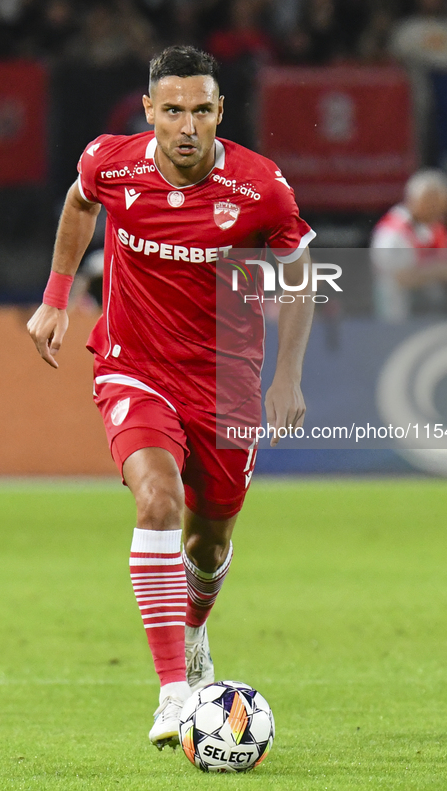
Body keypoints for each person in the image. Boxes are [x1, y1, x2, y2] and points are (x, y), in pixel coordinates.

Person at [27, 46, 315, 749]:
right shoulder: (111, 163)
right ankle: (173, 694)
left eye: (201, 110)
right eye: (173, 110)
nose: (187, 126)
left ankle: (193, 635)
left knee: (209, 541)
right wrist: (56, 298)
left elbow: (300, 271)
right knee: (157, 498)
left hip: (227, 383)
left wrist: (286, 377)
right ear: (150, 110)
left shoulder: (260, 189)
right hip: (133, 363)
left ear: (221, 112)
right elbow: (77, 201)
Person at [370, 169, 447, 320]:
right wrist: (444, 272)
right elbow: (400, 277)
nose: (445, 211)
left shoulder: (435, 228)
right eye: (438, 204)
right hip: (397, 315)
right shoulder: (392, 232)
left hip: (431, 312)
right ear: (423, 200)